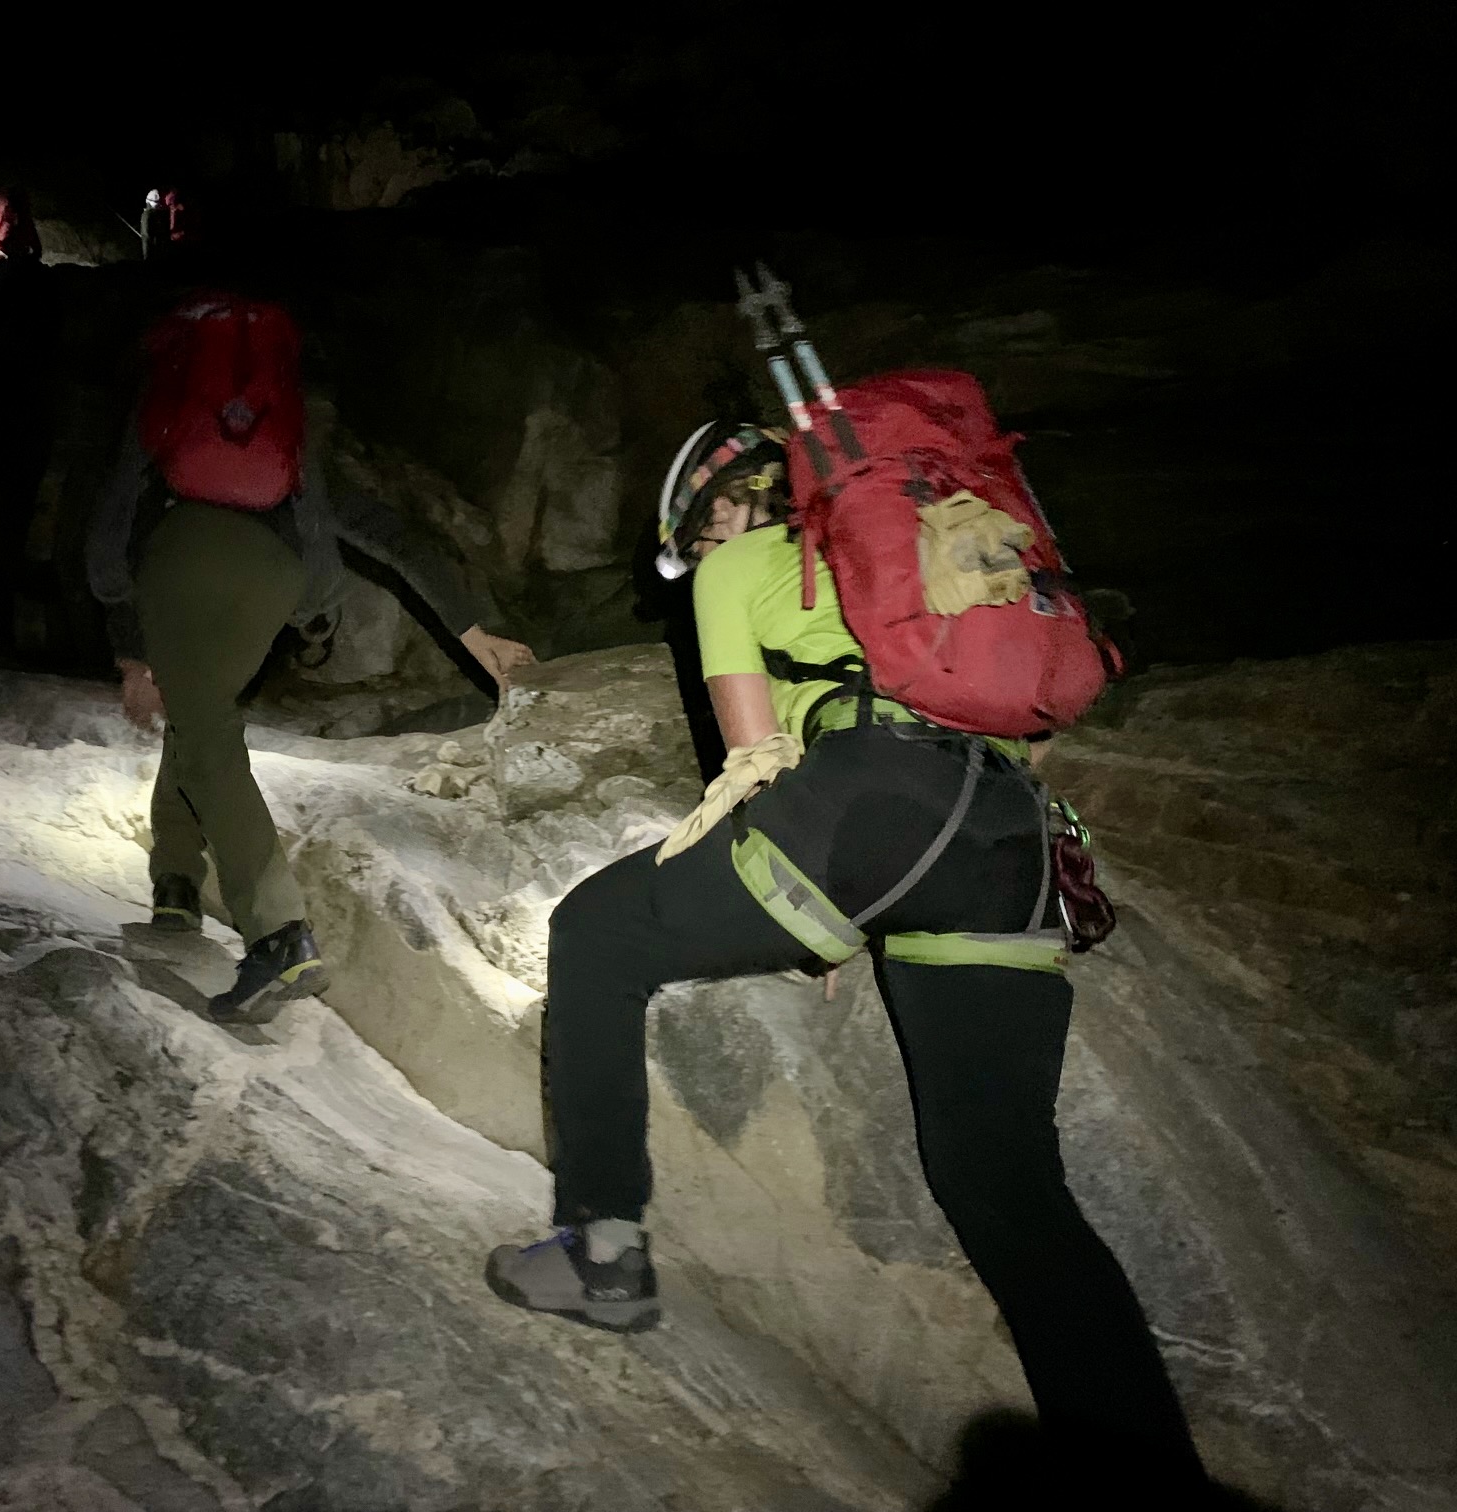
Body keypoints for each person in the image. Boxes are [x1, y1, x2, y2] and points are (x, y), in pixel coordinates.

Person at [484, 424, 1210, 1500]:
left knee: (597, 931)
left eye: (699, 534)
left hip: (866, 812)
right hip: (1008, 843)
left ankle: (601, 1250)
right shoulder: (921, 558)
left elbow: (755, 758)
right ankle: (1153, 1482)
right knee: (1004, 1182)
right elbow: (1032, 731)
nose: (706, 548)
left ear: (719, 509)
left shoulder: (739, 564)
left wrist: (801, 904)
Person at [88, 390, 533, 1023]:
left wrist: (132, 655)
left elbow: (109, 533)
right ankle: (178, 881)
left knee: (205, 728)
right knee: (201, 710)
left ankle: (279, 935)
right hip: (276, 574)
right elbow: (389, 535)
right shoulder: (280, 455)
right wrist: (472, 632)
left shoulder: (163, 423)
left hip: (183, 552)